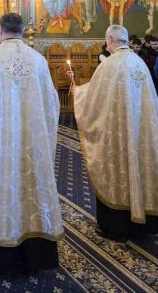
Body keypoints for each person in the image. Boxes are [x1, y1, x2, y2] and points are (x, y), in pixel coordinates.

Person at [0, 13, 63, 276]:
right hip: (32, 145)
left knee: (1, 187)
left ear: (0, 30)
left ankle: (1, 257)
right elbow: (52, 104)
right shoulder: (38, 60)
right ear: (22, 30)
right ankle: (36, 257)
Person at [71, 25, 158, 241]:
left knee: (118, 174)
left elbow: (93, 100)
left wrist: (77, 92)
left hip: (117, 136)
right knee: (139, 169)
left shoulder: (109, 65)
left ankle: (116, 227)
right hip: (141, 134)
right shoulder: (139, 63)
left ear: (110, 39)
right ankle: (142, 225)